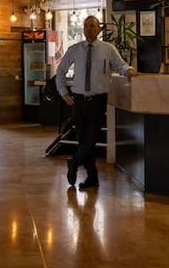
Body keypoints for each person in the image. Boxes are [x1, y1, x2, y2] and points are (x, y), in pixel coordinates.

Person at [56, 15, 138, 189]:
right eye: (86, 26)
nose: (88, 29)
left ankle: (74, 162)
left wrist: (129, 71)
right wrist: (63, 92)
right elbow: (61, 70)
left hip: (98, 101)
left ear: (99, 29)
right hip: (79, 101)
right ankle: (92, 177)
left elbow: (121, 65)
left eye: (92, 26)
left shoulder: (108, 49)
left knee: (91, 138)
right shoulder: (74, 49)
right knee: (83, 139)